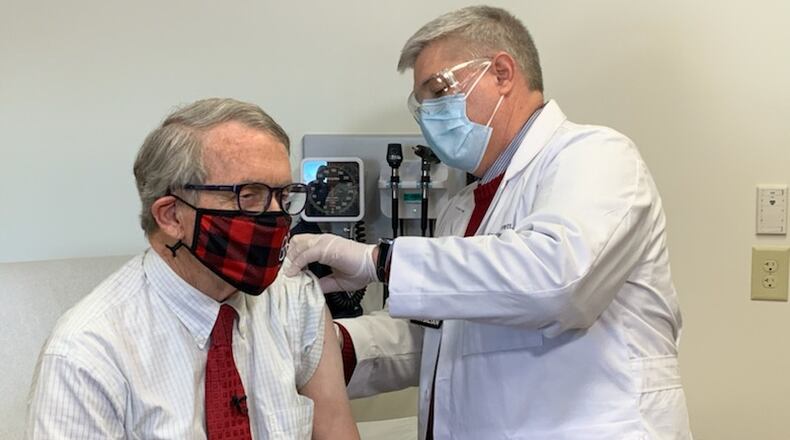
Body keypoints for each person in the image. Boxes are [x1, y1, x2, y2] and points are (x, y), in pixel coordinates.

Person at [286, 5, 692, 440]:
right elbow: (439, 336)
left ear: (501, 72)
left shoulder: (596, 156)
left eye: (438, 90)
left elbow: (557, 281)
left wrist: (378, 261)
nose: (428, 116)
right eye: (420, 105)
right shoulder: (463, 208)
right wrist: (329, 347)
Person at [26, 98, 360, 439]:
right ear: (171, 215)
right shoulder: (85, 355)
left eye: (284, 195)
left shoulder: (295, 300)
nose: (277, 216)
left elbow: (335, 429)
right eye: (250, 194)